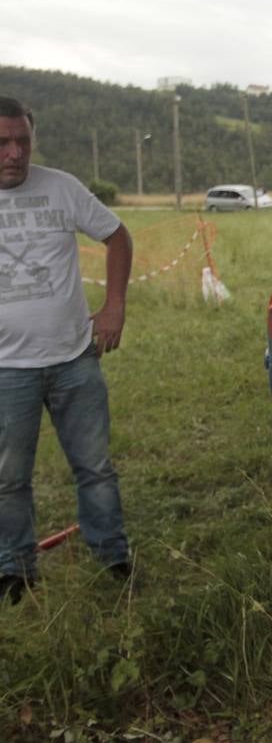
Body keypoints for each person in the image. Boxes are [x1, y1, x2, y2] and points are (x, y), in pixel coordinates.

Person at [0, 96, 134, 605]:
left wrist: (114, 305)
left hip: (74, 359)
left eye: (23, 141)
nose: (16, 153)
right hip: (5, 369)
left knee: (95, 467)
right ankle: (15, 571)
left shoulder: (61, 188)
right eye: (3, 143)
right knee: (8, 479)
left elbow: (117, 236)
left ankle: (113, 558)